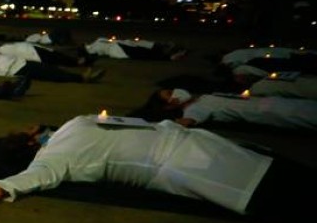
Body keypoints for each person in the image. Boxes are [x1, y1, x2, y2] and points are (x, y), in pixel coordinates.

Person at [0, 114, 308, 223]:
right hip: (193, 153)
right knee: (281, 181)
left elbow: (40, 174)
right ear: (31, 141)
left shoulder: (62, 141)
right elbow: (40, 174)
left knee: (281, 188)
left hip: (190, 159)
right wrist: (6, 186)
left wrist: (5, 186)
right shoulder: (65, 138)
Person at [130, 88, 317, 131]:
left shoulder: (203, 97)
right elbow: (186, 123)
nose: (175, 92)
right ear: (170, 105)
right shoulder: (194, 110)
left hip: (274, 102)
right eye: (169, 94)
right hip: (278, 112)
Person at [0, 52, 104, 83]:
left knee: (49, 70)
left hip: (20, 63)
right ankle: (82, 78)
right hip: (15, 69)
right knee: (50, 74)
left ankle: (80, 76)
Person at [83, 37, 187, 61]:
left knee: (142, 46)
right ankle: (169, 56)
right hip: (118, 49)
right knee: (142, 51)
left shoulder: (97, 42)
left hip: (120, 45)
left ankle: (166, 50)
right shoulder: (92, 48)